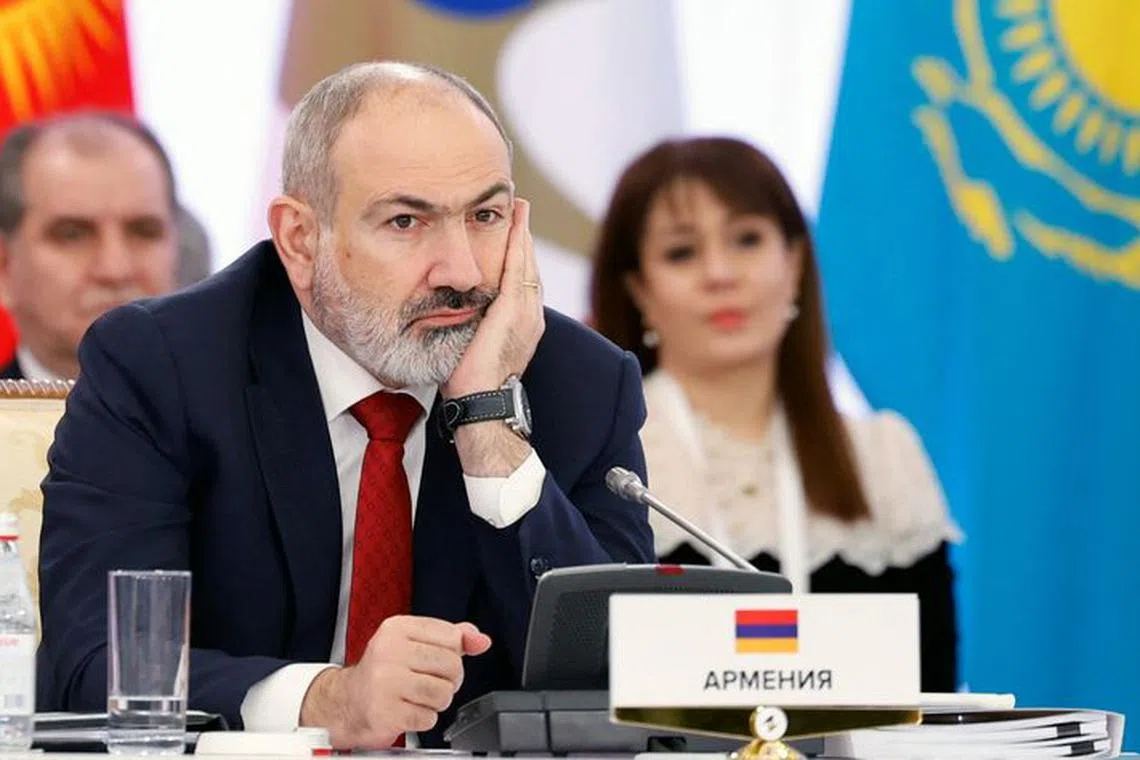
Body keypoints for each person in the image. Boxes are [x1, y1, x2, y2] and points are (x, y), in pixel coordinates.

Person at [37, 62, 653, 749]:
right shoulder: (164, 367)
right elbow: (97, 664)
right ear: (301, 239)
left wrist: (489, 422)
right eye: (405, 221)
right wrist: (328, 698)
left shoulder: (581, 383)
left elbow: (628, 684)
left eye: (486, 216)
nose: (463, 271)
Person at [590, 137, 960, 691]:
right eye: (682, 253)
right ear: (638, 289)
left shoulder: (883, 458)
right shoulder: (604, 461)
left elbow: (932, 698)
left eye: (747, 239)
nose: (720, 273)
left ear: (794, 262)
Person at [0, 113, 179, 380]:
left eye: (143, 232)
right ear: (5, 267)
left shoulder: (236, 403)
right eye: (72, 235)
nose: (115, 269)